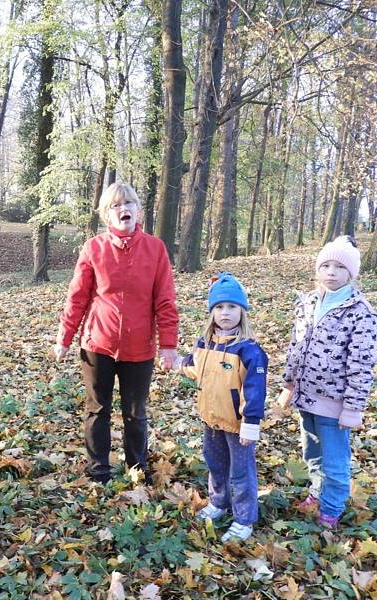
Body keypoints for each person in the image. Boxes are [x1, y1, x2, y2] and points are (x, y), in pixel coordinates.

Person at [54, 182, 179, 484]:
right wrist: (64, 337)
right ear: (106, 215)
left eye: (129, 204)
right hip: (98, 345)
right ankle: (99, 470)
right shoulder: (93, 248)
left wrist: (169, 345)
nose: (123, 210)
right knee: (98, 409)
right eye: (115, 206)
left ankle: (136, 468)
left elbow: (165, 300)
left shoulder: (155, 249)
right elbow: (78, 297)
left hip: (140, 347)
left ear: (139, 210)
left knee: (136, 413)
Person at [282, 235, 377, 528]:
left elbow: (362, 364)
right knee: (312, 452)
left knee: (335, 462)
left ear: (351, 273)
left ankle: (331, 509)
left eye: (339, 267)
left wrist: (352, 408)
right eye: (325, 265)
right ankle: (316, 490)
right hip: (306, 397)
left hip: (335, 404)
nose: (331, 272)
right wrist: (288, 385)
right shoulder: (309, 302)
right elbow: (295, 347)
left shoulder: (360, 313)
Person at [175, 273, 268, 543]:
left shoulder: (249, 350)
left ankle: (244, 518)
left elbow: (255, 390)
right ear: (211, 312)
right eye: (219, 307)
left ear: (242, 311)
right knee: (215, 463)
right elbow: (197, 369)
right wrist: (178, 363)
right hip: (211, 419)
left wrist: (251, 424)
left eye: (231, 307)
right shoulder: (205, 344)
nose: (225, 313)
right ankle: (219, 502)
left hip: (238, 424)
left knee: (240, 471)